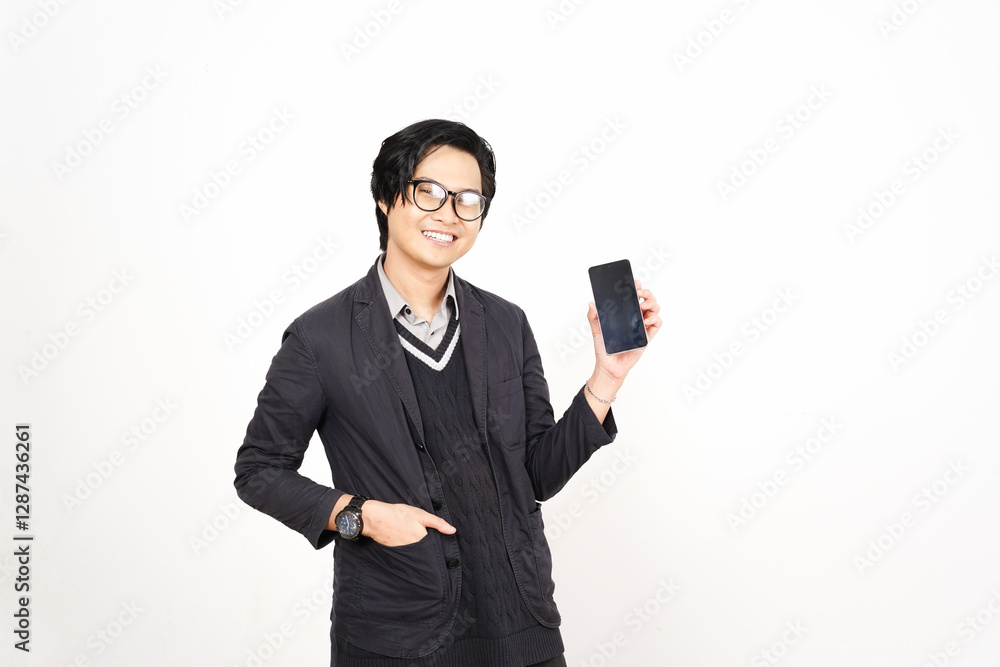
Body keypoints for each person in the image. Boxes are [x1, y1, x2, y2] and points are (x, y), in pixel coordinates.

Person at [234, 119, 661, 666]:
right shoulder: (320, 338)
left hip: (519, 623)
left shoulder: (506, 323)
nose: (448, 213)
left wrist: (608, 376)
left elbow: (536, 475)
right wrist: (360, 516)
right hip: (396, 635)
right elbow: (260, 470)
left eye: (467, 200)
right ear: (388, 197)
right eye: (428, 192)